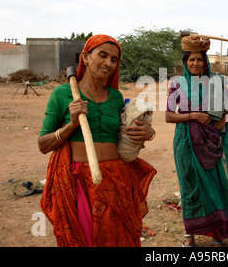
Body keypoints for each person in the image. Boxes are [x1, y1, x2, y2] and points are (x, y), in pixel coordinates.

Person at [38, 34, 157, 247]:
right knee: (86, 240)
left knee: (121, 239)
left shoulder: (116, 96)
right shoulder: (62, 94)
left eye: (114, 59)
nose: (108, 63)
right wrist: (71, 125)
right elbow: (43, 145)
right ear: (85, 57)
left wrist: (147, 133)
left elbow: (125, 135)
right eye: (103, 55)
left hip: (118, 179)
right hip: (79, 181)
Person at [165, 35, 228, 247]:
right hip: (185, 142)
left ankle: (218, 234)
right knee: (189, 186)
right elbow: (169, 116)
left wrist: (224, 119)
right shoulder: (177, 84)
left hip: (211, 140)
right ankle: (189, 236)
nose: (195, 64)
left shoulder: (214, 82)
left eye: (199, 59)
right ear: (185, 61)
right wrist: (194, 116)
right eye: (191, 60)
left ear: (205, 61)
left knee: (215, 185)